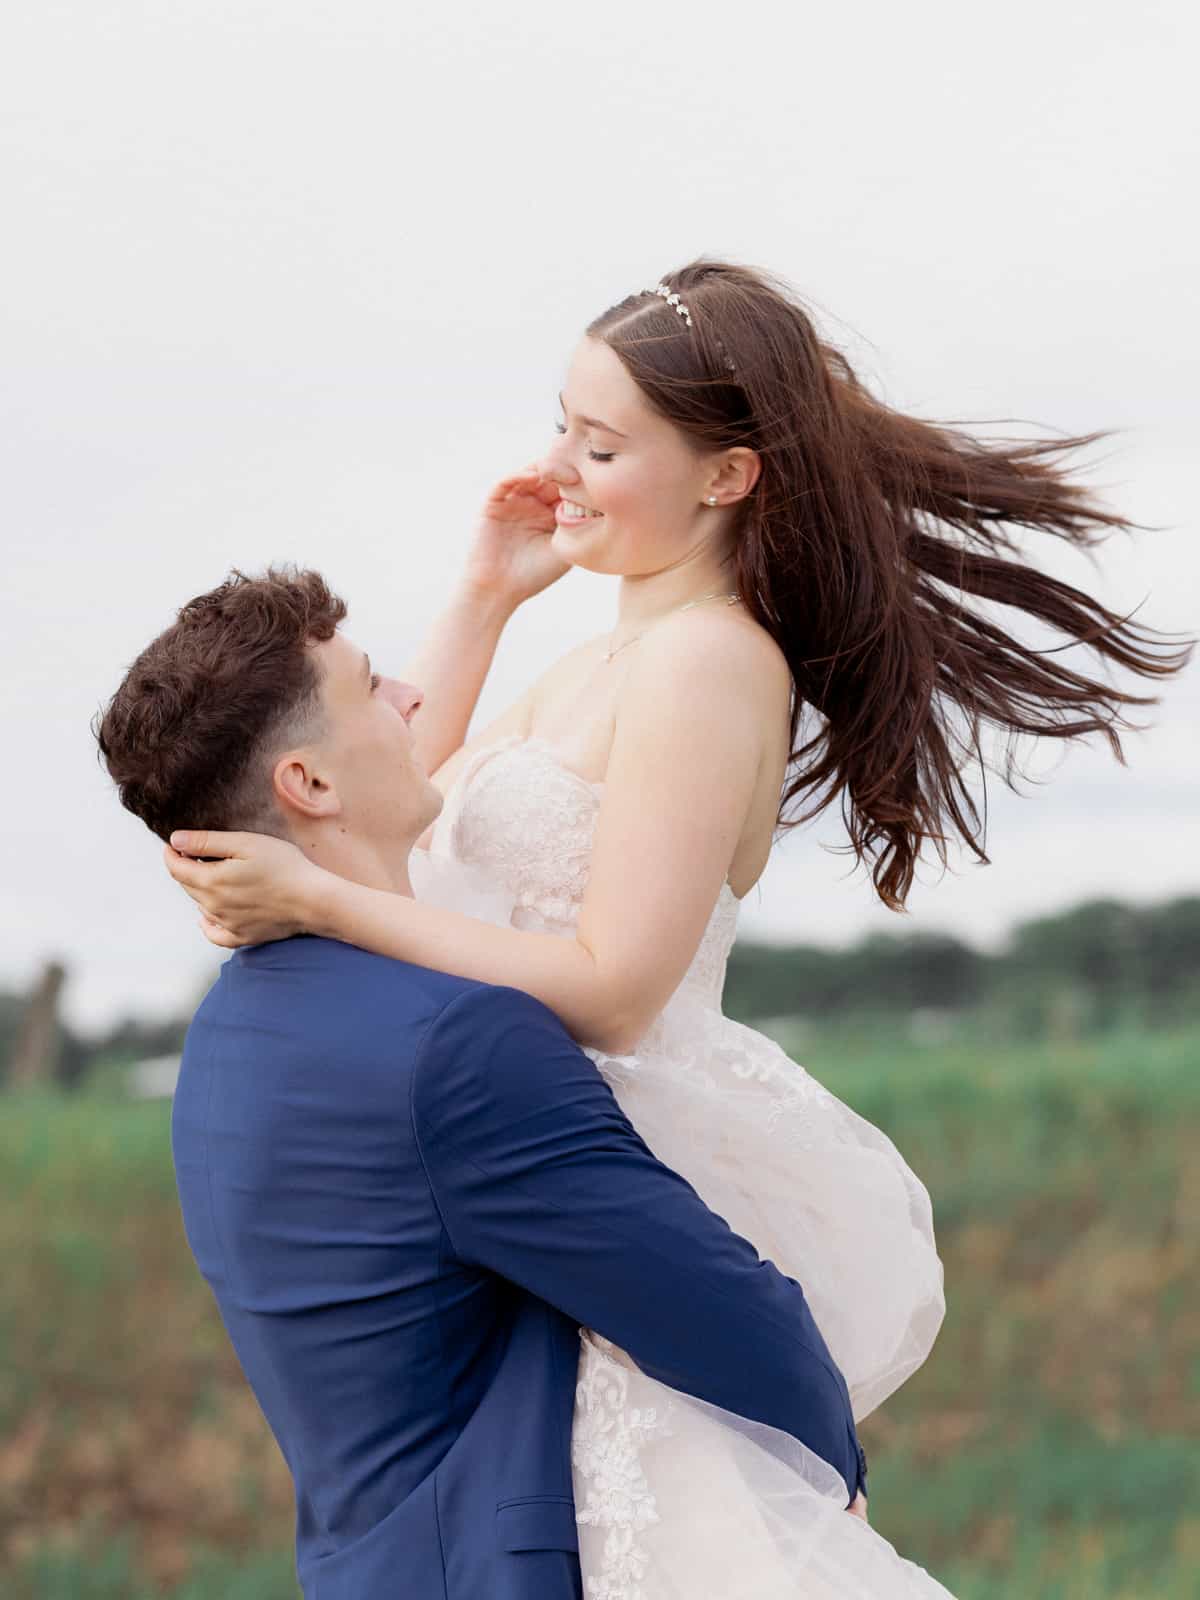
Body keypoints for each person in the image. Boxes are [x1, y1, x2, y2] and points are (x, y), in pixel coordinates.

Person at [160, 261, 1189, 1597]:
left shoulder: (709, 662)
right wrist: (484, 591)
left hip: (605, 1191)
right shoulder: (588, 656)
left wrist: (322, 903)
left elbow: (618, 987)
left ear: (727, 478)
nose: (560, 468)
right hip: (513, 1206)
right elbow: (403, 808)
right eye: (560, 428)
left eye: (601, 444)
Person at [95, 568, 895, 1600]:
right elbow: (710, 1299)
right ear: (310, 784)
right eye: (374, 685)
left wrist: (486, 584)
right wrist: (832, 1462)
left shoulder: (230, 1033)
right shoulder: (458, 1043)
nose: (412, 700)